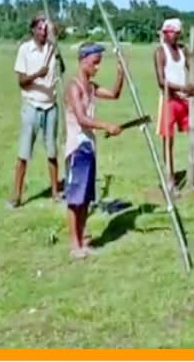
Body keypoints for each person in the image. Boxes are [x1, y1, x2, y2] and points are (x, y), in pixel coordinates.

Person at [63, 42, 123, 259]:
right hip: (76, 148)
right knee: (75, 199)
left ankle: (82, 240)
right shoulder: (74, 87)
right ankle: (74, 245)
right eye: (94, 63)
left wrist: (120, 74)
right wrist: (107, 126)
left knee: (86, 198)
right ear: (83, 60)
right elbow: (82, 118)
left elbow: (114, 94)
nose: (97, 67)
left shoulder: (91, 87)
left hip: (90, 146)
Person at [10, 15, 60, 208]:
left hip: (51, 106)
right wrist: (39, 74)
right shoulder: (25, 49)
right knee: (24, 153)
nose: (43, 32)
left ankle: (56, 192)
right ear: (33, 30)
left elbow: (60, 71)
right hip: (32, 105)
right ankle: (17, 196)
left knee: (52, 152)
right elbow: (21, 81)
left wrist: (54, 31)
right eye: (39, 28)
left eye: (46, 29)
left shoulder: (53, 50)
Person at [153, 18, 194, 190]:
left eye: (178, 32)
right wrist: (183, 87)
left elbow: (193, 69)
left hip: (184, 100)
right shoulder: (160, 52)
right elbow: (161, 81)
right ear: (165, 33)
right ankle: (170, 179)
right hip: (169, 99)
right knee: (168, 139)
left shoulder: (182, 52)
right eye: (172, 32)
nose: (175, 36)